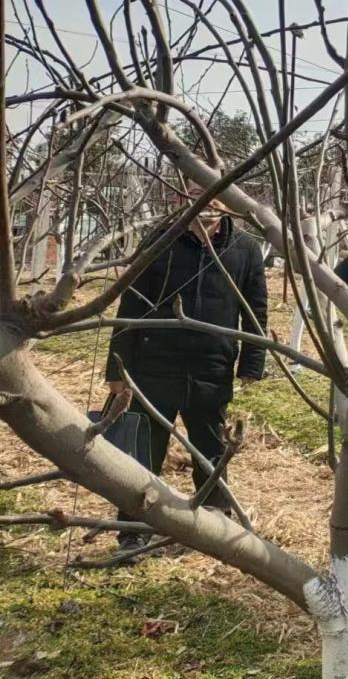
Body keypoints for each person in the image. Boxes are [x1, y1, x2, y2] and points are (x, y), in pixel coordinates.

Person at [105, 189, 268, 553]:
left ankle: (213, 524)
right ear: (180, 199)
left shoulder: (244, 247)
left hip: (212, 364)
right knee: (143, 452)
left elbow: (255, 308)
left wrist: (252, 362)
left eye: (214, 194)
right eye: (194, 194)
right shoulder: (159, 241)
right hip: (154, 363)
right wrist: (117, 367)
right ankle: (134, 529)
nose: (206, 204)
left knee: (210, 450)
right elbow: (130, 302)